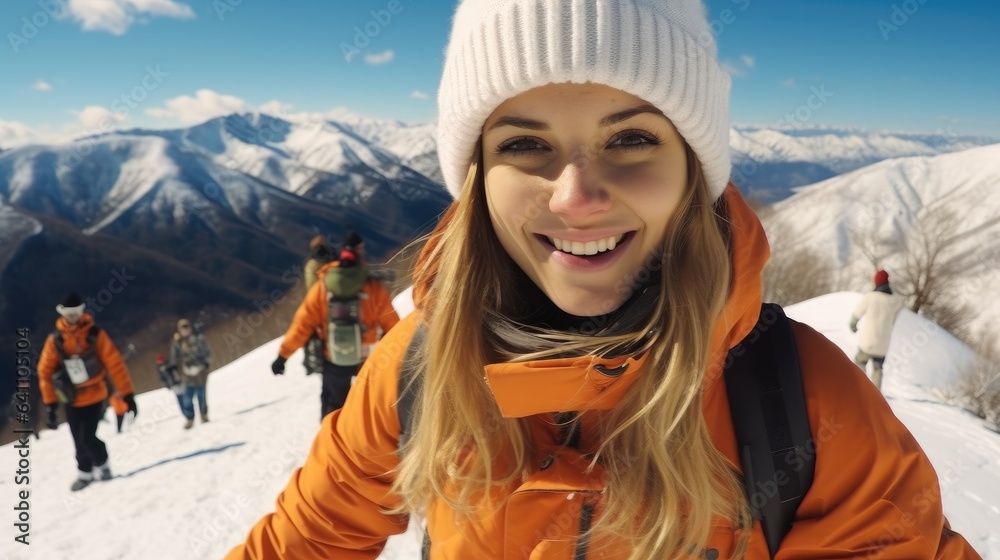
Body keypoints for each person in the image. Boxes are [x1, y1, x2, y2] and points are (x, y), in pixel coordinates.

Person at [228, 1, 980, 557]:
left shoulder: (802, 402)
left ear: (695, 174)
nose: (575, 198)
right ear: (477, 182)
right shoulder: (419, 374)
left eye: (631, 138)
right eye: (525, 144)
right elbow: (312, 537)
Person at [271, 230, 400, 420]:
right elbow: (393, 326)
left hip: (334, 356)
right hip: (366, 358)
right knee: (369, 405)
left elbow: (302, 324)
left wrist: (283, 356)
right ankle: (363, 440)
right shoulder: (372, 287)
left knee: (333, 407)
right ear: (360, 252)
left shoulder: (322, 287)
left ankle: (332, 444)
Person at [37, 292, 137, 491]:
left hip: (95, 395)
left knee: (87, 437)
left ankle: (103, 465)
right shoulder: (56, 340)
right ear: (62, 313)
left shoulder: (95, 335)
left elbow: (115, 364)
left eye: (76, 312)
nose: (72, 316)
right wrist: (50, 404)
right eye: (68, 312)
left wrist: (127, 394)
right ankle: (85, 473)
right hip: (71, 398)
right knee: (77, 438)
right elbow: (44, 371)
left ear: (82, 311)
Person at [850, 269, 907, 391]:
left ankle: (859, 389)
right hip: (883, 345)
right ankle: (876, 395)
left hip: (868, 343)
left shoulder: (870, 297)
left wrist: (853, 326)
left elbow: (856, 315)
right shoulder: (895, 301)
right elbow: (895, 317)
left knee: (860, 363)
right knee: (878, 369)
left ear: (876, 282)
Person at [302, 234, 336, 375]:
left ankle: (313, 361)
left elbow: (311, 287)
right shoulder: (334, 256)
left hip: (319, 304)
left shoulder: (311, 264)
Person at [171, 318, 213, 429]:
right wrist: (177, 371)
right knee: (187, 399)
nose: (185, 329)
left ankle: (204, 416)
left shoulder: (199, 339)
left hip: (200, 373)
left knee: (201, 396)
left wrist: (205, 365)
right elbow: (175, 359)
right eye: (182, 328)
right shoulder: (177, 343)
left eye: (186, 327)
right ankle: (190, 419)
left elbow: (207, 352)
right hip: (186, 376)